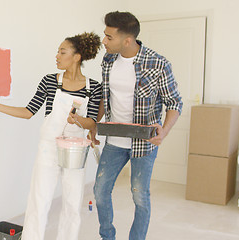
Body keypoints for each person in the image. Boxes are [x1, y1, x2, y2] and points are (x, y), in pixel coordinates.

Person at [0, 32, 102, 240]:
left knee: (73, 204)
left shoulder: (93, 88)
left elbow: (92, 122)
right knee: (39, 200)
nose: (56, 56)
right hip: (48, 148)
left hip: (74, 150)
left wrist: (78, 121)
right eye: (57, 51)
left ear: (77, 57)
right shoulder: (49, 81)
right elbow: (29, 112)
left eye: (62, 52)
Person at [92, 11, 183, 240]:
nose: (104, 41)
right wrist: (93, 125)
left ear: (127, 40)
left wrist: (165, 130)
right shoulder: (108, 60)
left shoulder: (158, 63)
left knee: (139, 196)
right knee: (100, 191)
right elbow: (105, 95)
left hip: (144, 142)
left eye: (109, 37)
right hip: (114, 140)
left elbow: (175, 102)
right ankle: (107, 236)